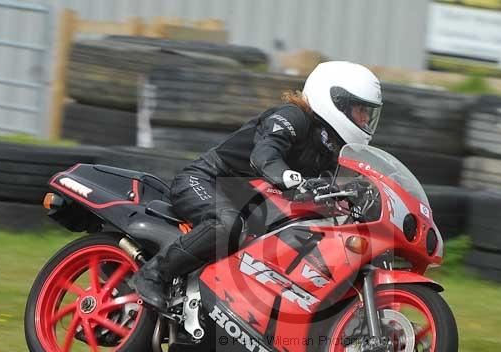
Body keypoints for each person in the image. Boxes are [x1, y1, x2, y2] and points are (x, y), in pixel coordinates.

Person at [132, 61, 383, 309]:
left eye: (368, 113)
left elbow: (328, 190)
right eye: (359, 110)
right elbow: (265, 153)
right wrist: (285, 175)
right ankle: (153, 274)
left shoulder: (330, 149)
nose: (364, 119)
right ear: (337, 102)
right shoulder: (293, 116)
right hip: (207, 179)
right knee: (227, 224)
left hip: (248, 202)